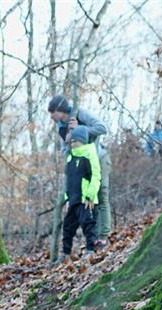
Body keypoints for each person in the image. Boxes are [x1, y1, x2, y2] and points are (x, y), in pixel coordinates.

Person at [48, 95, 112, 248]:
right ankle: (93, 239)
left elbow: (102, 128)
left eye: (52, 112)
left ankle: (104, 235)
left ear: (60, 110)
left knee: (101, 194)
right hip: (80, 165)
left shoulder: (79, 113)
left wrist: (80, 129)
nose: (51, 116)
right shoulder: (60, 126)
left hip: (98, 158)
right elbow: (65, 147)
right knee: (87, 200)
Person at [61, 126, 101, 260]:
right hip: (73, 199)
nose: (72, 143)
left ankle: (91, 250)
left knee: (88, 225)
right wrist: (67, 199)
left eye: (75, 141)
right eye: (71, 141)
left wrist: (90, 195)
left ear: (82, 141)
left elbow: (96, 176)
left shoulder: (89, 154)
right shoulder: (70, 158)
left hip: (85, 200)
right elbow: (69, 180)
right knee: (67, 228)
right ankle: (65, 253)